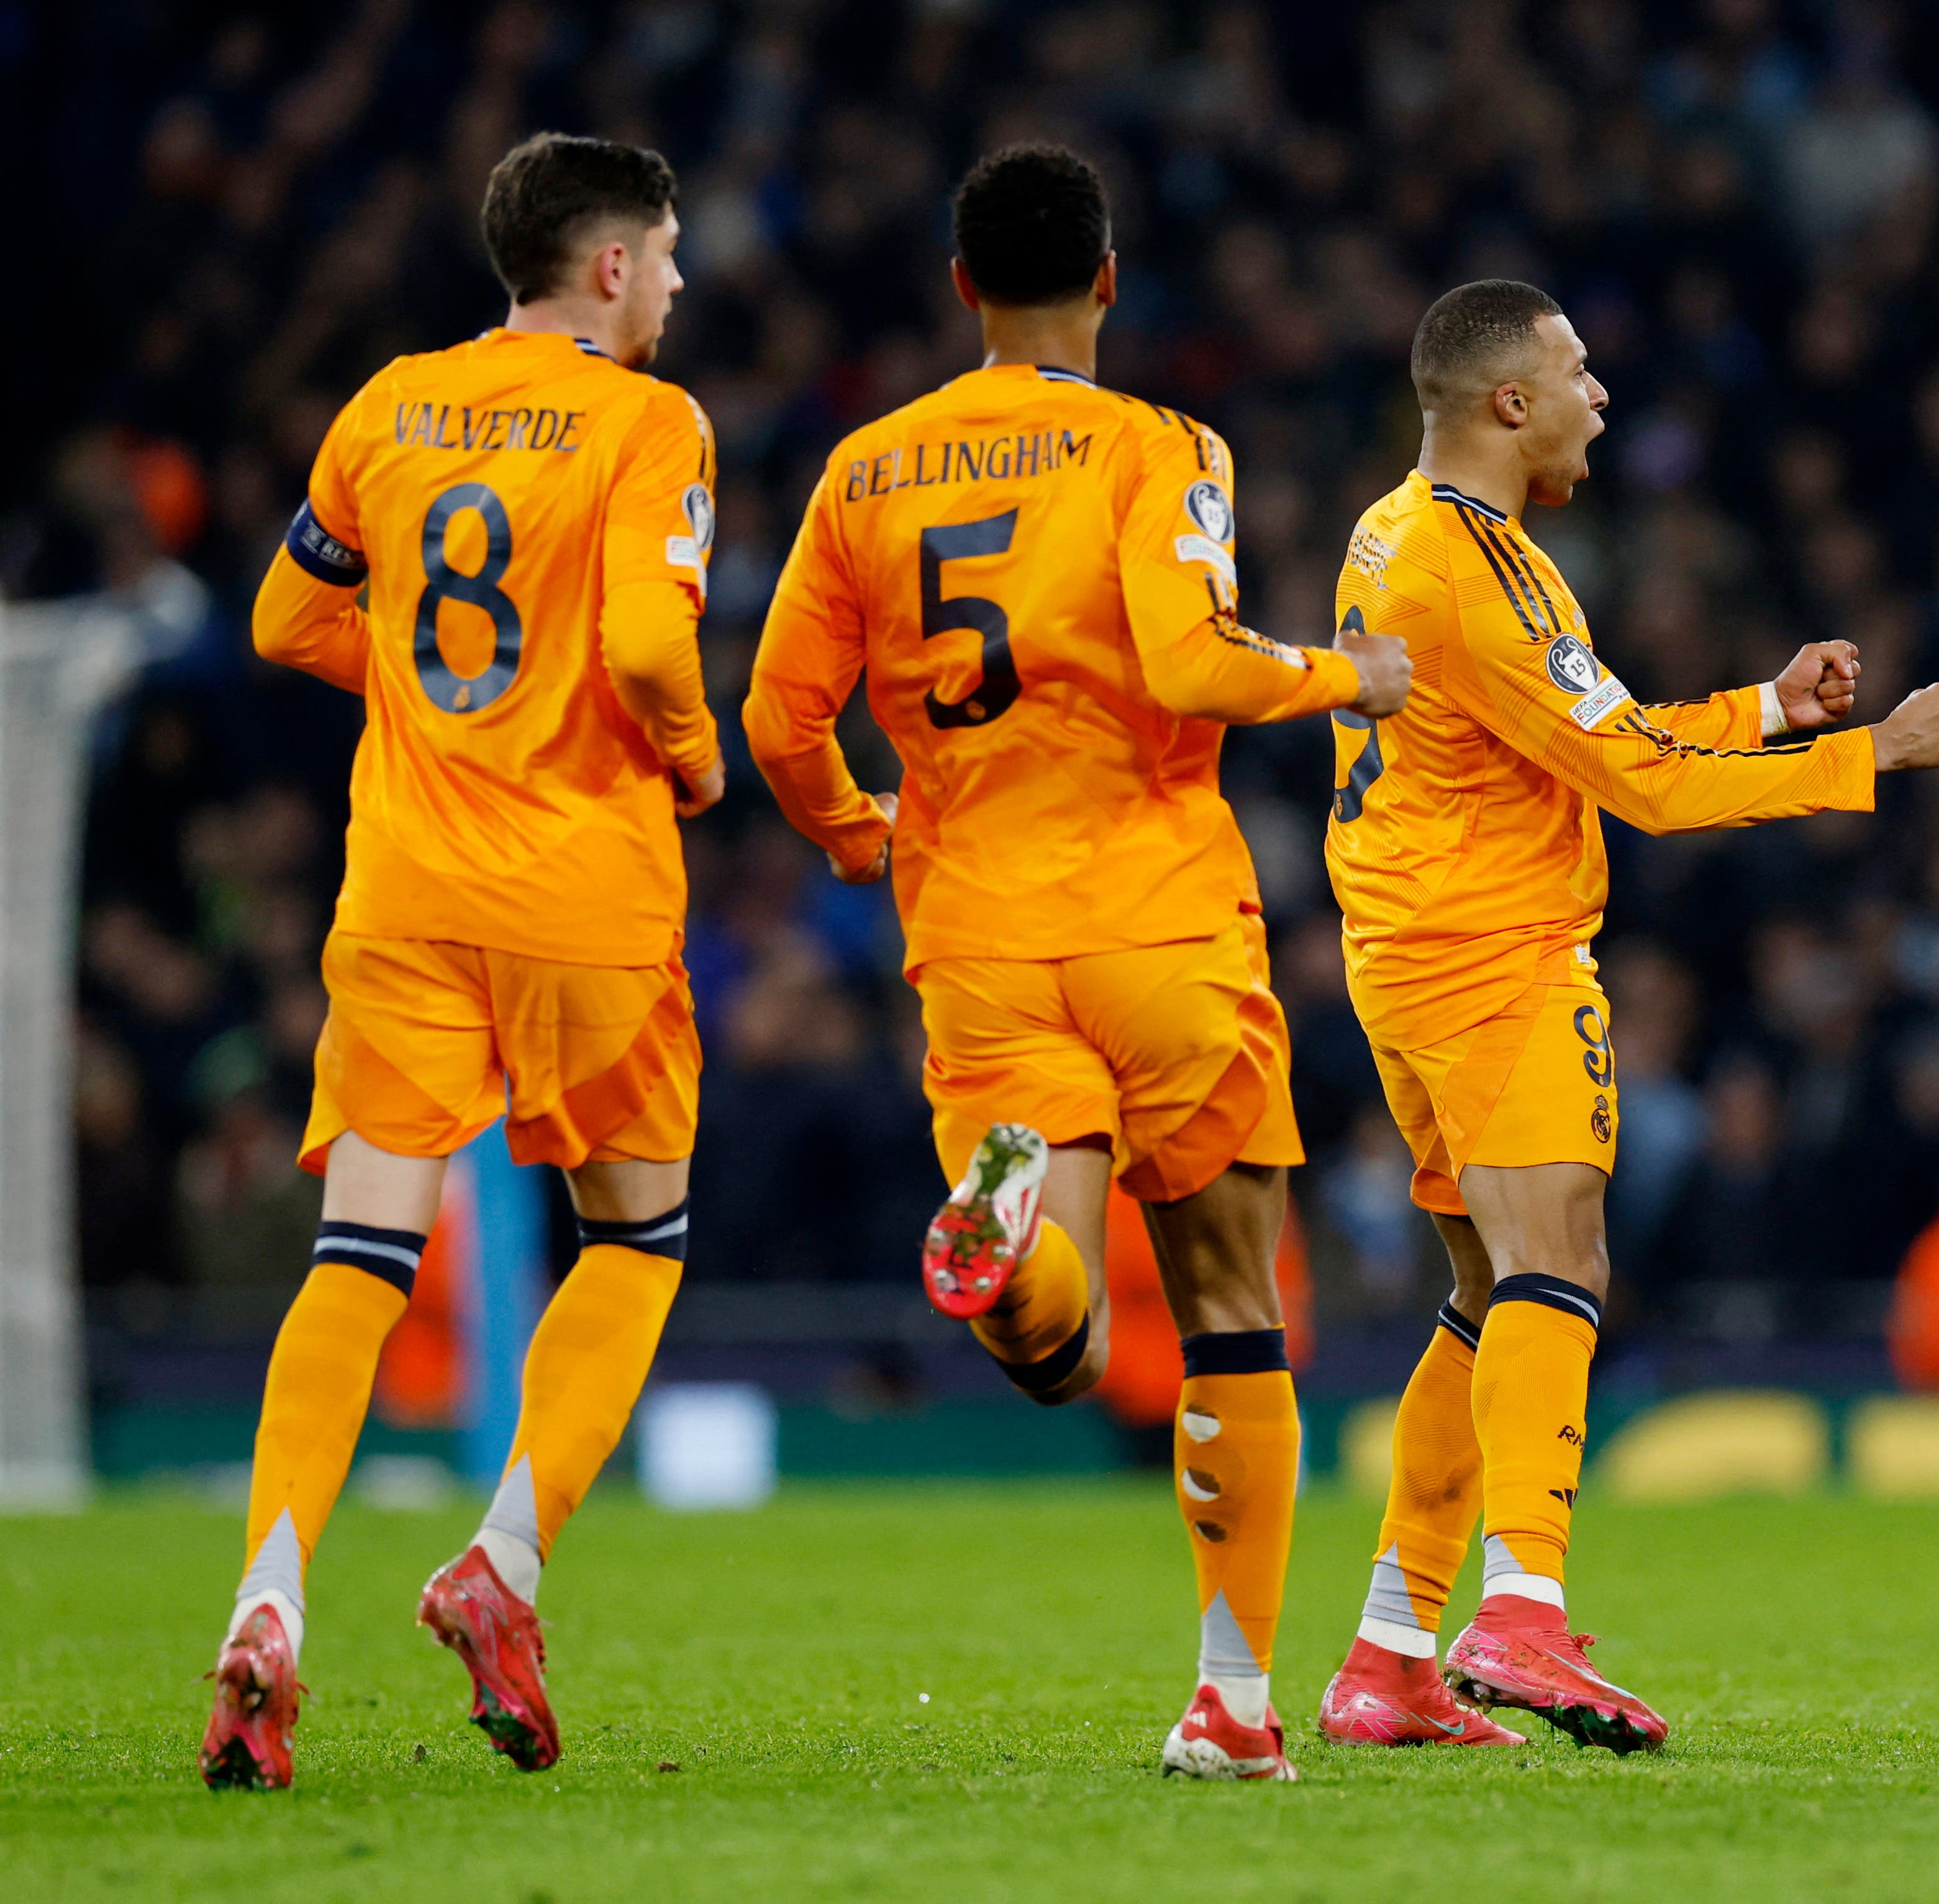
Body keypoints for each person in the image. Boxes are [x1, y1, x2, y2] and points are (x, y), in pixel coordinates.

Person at [742, 144, 1409, 1784]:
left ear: (959, 286)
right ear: (1107, 281)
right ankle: (1231, 1702)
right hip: (1158, 912)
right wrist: (1349, 672)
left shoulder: (865, 471)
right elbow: (1189, 657)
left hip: (971, 924)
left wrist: (851, 828)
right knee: (1230, 1313)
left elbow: (772, 718)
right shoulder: (1163, 444)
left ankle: (1012, 1237)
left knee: (1059, 1351)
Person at [1312, 280, 1939, 1753]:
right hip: (1492, 956)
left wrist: (1773, 709)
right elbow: (1648, 788)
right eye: (1579, 371)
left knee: (1487, 1299)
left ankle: (1392, 1655)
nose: (1600, 396)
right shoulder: (1476, 569)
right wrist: (1868, 755)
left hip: (1410, 945)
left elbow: (1604, 732)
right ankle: (1523, 1616)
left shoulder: (1404, 529)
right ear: (1508, 403)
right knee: (1561, 1264)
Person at [202, 133, 722, 1789]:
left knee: (360, 1251)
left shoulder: (390, 405)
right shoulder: (651, 422)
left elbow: (285, 619)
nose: (685, 281)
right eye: (671, 252)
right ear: (615, 267)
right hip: (584, 892)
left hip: (408, 891)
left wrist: (441, 705)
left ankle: (269, 1592)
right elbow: (645, 640)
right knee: (637, 1239)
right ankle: (501, 1559)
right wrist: (692, 749)